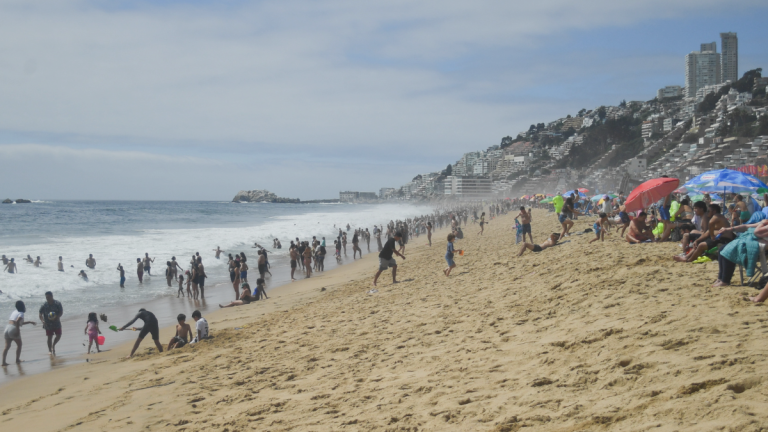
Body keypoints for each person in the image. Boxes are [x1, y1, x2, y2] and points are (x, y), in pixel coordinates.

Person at [3, 301, 36, 366]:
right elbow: (17, 321)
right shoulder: (21, 313)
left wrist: (29, 322)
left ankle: (3, 362)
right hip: (13, 328)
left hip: (7, 328)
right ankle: (17, 359)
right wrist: (18, 331)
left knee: (6, 347)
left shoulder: (14, 312)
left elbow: (17, 322)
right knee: (19, 345)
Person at [39, 291, 63, 356]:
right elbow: (40, 314)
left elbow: (61, 312)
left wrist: (57, 317)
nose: (47, 298)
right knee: (49, 337)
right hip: (48, 324)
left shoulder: (57, 303)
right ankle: (49, 350)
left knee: (59, 335)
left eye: (48, 297)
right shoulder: (44, 305)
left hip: (56, 322)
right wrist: (42, 321)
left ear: (52, 296)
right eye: (46, 297)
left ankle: (53, 345)